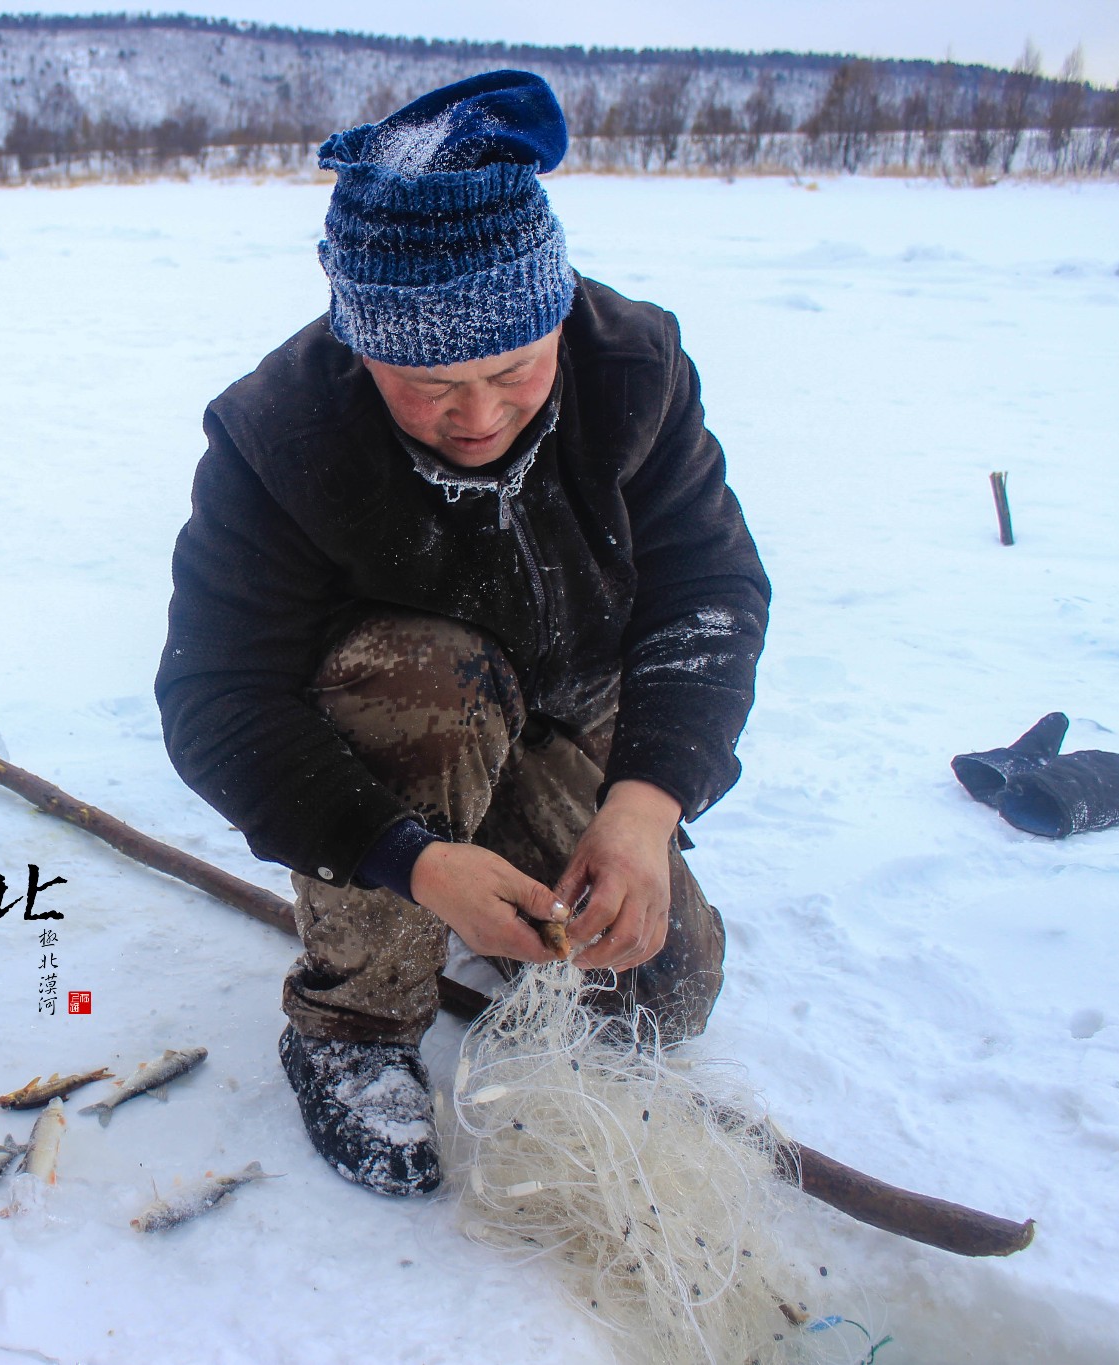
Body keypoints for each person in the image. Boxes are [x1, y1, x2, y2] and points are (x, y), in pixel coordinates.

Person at [156, 72, 771, 1197]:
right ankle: (350, 1024)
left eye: (512, 369)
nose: (477, 416)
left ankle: (537, 819)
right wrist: (408, 861)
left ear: (556, 315)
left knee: (658, 998)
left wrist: (643, 804)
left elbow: (709, 594)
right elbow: (214, 697)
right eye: (425, 383)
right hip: (404, 723)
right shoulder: (276, 432)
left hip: (568, 709)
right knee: (430, 691)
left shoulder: (633, 370)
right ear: (360, 347)